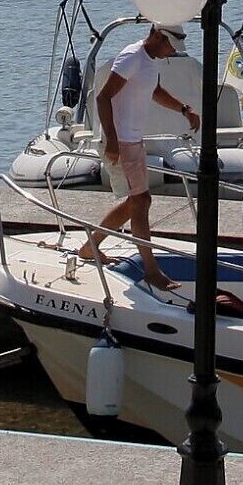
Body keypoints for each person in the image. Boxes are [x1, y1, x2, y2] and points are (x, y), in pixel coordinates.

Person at [78, 22, 199, 290]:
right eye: (170, 46)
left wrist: (184, 109)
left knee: (136, 203)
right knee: (141, 201)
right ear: (157, 36)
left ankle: (90, 246)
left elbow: (154, 91)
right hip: (119, 141)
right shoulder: (132, 57)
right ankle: (151, 270)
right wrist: (110, 140)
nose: (171, 52)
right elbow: (103, 97)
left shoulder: (153, 60)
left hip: (133, 140)